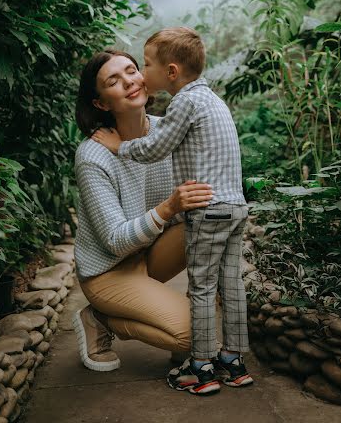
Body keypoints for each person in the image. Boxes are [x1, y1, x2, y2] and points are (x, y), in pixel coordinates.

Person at [93, 28, 253, 394]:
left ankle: (200, 368)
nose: (141, 73)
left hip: (208, 210)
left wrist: (121, 148)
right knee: (231, 284)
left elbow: (155, 149)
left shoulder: (183, 103)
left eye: (145, 65)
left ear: (172, 72)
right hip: (235, 207)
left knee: (201, 288)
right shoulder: (212, 99)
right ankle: (234, 359)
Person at [73, 49, 215, 383]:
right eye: (113, 80)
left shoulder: (170, 131)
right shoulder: (92, 155)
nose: (129, 82)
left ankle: (168, 306)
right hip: (108, 271)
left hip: (149, 255)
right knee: (194, 336)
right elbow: (115, 241)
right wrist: (169, 207)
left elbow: (200, 196)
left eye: (132, 71)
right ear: (101, 104)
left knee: (207, 213)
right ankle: (100, 318)